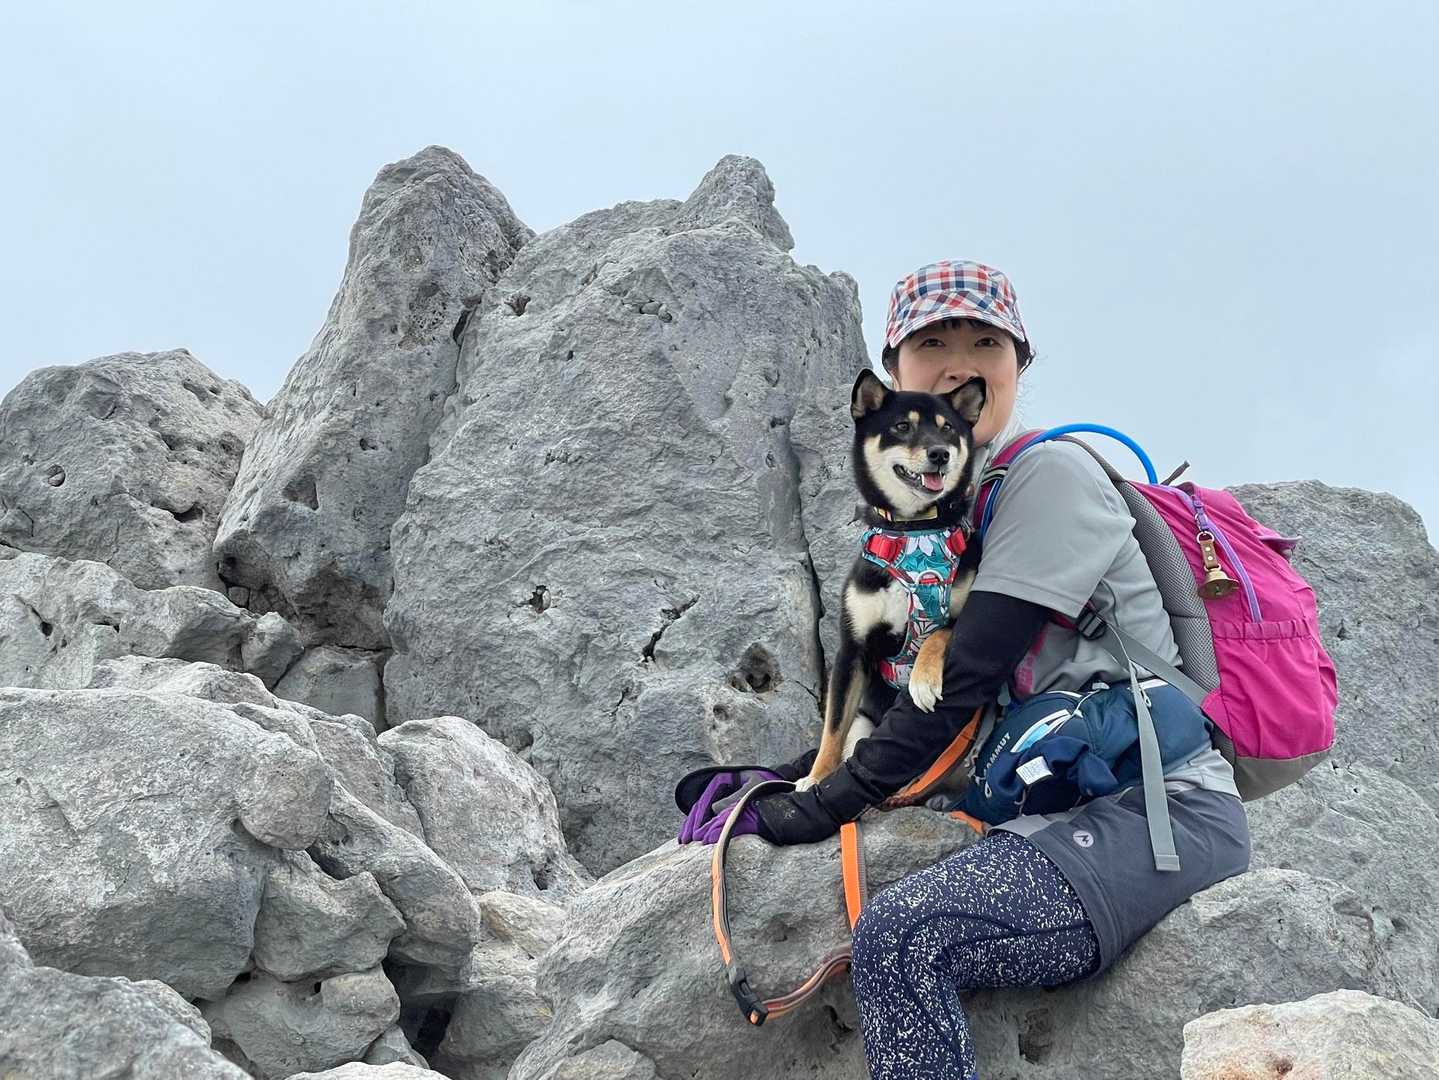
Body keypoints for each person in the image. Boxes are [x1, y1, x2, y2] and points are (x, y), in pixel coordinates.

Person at [678, 260, 1251, 1079]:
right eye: (932, 344)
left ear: (1017, 367)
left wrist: (825, 806)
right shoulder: (959, 510)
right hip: (1045, 812)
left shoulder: (1049, 478)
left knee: (905, 935)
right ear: (892, 369)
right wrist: (786, 777)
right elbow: (895, 698)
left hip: (1151, 818)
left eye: (985, 344)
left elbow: (962, 683)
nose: (958, 363)